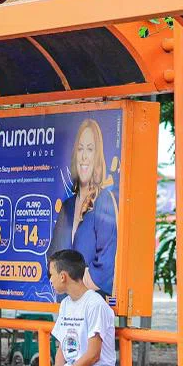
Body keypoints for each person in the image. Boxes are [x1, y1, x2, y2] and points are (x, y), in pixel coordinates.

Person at [51, 119, 118, 296]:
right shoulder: (67, 207)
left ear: (97, 156)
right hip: (64, 304)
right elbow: (52, 257)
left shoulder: (103, 201)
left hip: (91, 302)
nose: (84, 156)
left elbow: (106, 264)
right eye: (80, 149)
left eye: (90, 149)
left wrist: (73, 285)